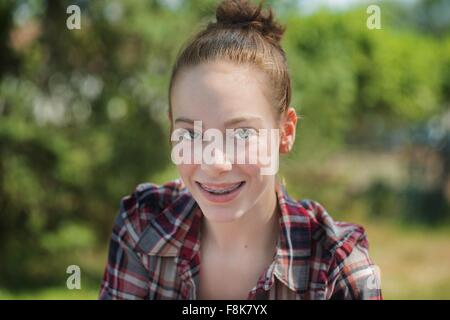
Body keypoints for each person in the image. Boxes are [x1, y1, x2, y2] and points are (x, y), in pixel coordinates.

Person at [99, 0, 382, 300]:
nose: (214, 163)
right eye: (191, 134)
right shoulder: (142, 226)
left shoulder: (337, 269)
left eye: (242, 134)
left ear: (285, 132)